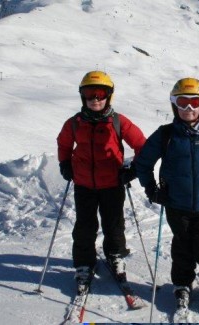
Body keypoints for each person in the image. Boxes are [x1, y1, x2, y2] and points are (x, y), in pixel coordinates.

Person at [133, 77, 199, 319]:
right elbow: (144, 163)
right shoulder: (166, 135)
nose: (188, 108)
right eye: (182, 102)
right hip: (176, 204)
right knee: (182, 244)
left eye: (194, 102)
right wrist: (151, 189)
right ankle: (182, 284)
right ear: (174, 105)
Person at [56, 70, 146, 288]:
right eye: (89, 93)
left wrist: (133, 169)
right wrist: (65, 164)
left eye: (101, 93)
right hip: (84, 184)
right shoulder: (75, 123)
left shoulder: (118, 121)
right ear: (82, 96)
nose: (95, 99)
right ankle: (84, 263)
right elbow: (64, 144)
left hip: (112, 184)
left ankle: (115, 256)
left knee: (114, 225)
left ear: (109, 95)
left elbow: (142, 145)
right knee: (85, 226)